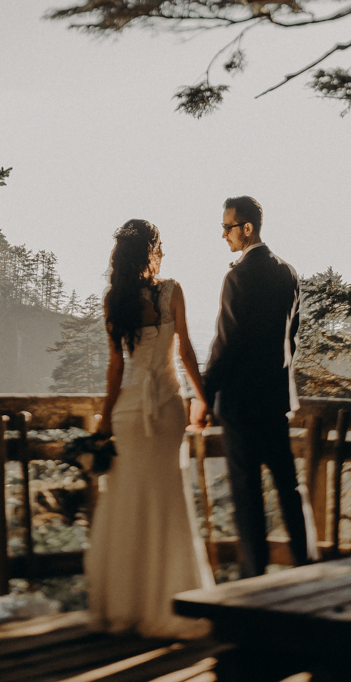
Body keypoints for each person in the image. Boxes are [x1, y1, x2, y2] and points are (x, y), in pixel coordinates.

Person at [84, 219, 212, 638]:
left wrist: (105, 418)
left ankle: (125, 606)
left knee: (126, 502)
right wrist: (205, 398)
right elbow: (188, 350)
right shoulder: (171, 291)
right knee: (168, 502)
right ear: (153, 251)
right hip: (167, 409)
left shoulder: (113, 299)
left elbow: (116, 367)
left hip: (129, 409)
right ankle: (169, 603)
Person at [202, 195, 312, 579]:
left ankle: (254, 579)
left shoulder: (237, 277)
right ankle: (306, 567)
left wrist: (202, 393)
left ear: (247, 229)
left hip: (240, 405)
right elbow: (291, 339)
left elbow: (225, 344)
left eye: (227, 227)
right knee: (289, 488)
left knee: (248, 495)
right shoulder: (288, 273)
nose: (223, 235)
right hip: (276, 401)